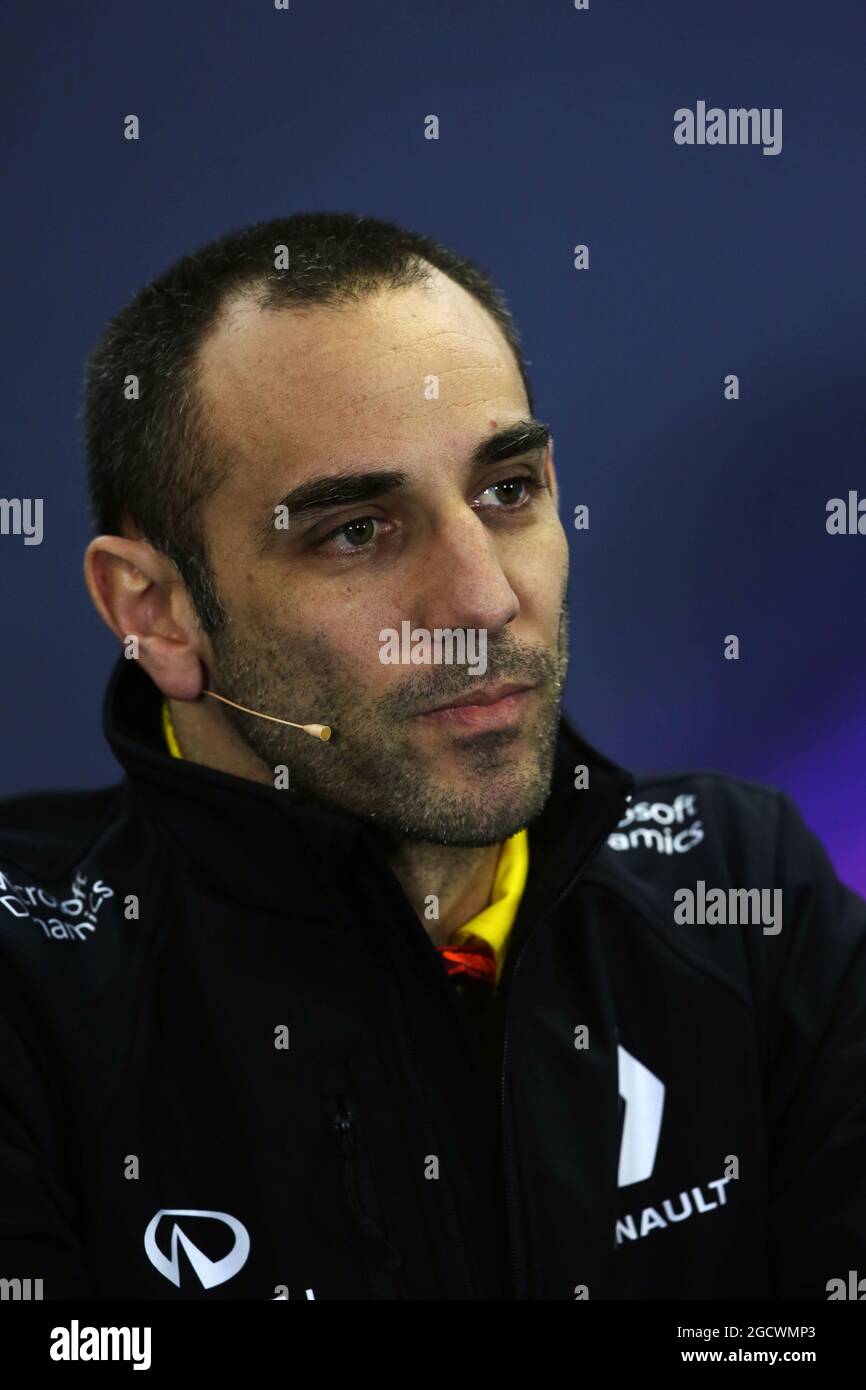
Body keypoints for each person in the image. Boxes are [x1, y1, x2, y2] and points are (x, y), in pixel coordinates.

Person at [0, 213, 863, 1300]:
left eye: (506, 492)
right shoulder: (30, 989)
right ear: (158, 612)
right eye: (355, 530)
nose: (485, 600)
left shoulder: (740, 897)